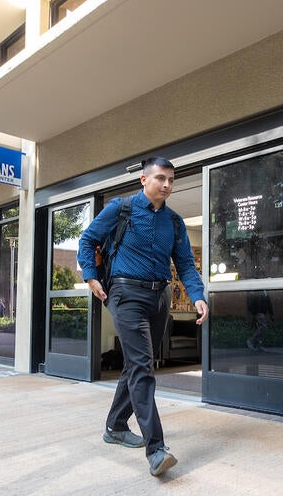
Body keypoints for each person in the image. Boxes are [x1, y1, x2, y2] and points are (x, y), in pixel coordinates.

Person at [77, 156, 209, 477]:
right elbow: (88, 239)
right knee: (143, 367)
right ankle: (156, 449)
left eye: (171, 180)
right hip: (126, 294)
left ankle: (115, 426)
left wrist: (197, 296)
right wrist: (91, 276)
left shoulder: (174, 222)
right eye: (161, 178)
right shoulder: (121, 209)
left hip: (160, 297)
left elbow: (185, 264)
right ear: (144, 180)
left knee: (136, 364)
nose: (167, 185)